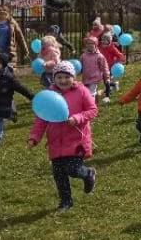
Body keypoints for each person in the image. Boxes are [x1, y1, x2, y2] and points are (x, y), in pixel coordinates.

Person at [27, 61, 98, 211]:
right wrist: (34, 137)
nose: (63, 80)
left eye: (66, 77)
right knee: (59, 174)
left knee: (73, 169)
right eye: (59, 77)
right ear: (54, 78)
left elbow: (92, 110)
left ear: (73, 77)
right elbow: (42, 118)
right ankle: (66, 201)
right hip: (55, 142)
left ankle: (88, 173)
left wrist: (77, 118)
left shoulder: (81, 91)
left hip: (76, 140)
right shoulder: (50, 94)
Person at [80, 36, 110, 103]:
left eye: (92, 43)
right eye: (88, 43)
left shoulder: (99, 56)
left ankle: (91, 107)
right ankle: (95, 101)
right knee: (86, 92)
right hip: (85, 77)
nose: (90, 45)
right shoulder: (83, 56)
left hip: (95, 78)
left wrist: (107, 77)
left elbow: (104, 67)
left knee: (91, 93)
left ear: (95, 45)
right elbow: (80, 66)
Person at [99, 32, 126, 98]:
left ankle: (108, 94)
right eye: (102, 39)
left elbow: (120, 55)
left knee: (107, 81)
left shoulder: (112, 48)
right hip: (102, 67)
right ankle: (114, 84)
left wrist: (118, 62)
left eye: (105, 39)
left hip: (110, 67)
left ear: (109, 41)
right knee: (105, 80)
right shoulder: (99, 47)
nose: (103, 41)